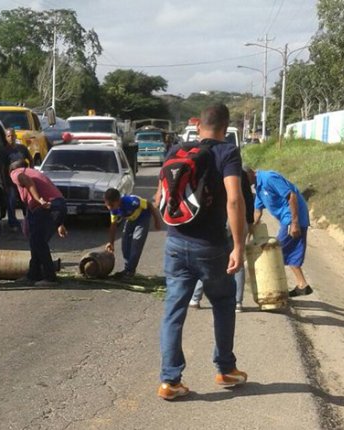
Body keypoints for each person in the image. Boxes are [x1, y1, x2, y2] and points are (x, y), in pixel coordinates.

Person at [156, 104, 247, 400]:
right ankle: (225, 368)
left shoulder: (178, 151)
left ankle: (170, 381)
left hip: (175, 242)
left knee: (173, 311)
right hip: (209, 246)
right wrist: (238, 245)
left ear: (198, 126)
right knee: (222, 300)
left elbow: (159, 197)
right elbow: (234, 200)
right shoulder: (227, 153)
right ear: (225, 126)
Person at [189, 167, 255, 311]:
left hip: (216, 221)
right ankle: (237, 302)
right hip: (236, 220)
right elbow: (247, 200)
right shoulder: (238, 172)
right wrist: (249, 223)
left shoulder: (207, 169)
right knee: (237, 258)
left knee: (208, 259)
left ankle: (195, 298)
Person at [245, 168, 312, 297]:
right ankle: (302, 285)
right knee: (290, 252)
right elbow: (257, 212)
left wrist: (294, 222)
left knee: (274, 250)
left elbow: (291, 195)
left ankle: (274, 290)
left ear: (249, 174)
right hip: (287, 219)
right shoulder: (258, 187)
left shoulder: (269, 178)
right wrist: (249, 231)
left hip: (292, 218)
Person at [9, 159, 67, 286]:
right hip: (57, 205)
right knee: (35, 241)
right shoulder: (34, 172)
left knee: (38, 242)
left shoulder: (16, 173)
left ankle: (50, 277)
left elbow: (26, 180)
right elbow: (54, 195)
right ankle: (33, 274)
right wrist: (60, 223)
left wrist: (38, 199)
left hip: (46, 207)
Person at [103, 188, 161, 278]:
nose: (109, 207)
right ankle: (127, 268)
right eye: (107, 205)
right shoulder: (113, 209)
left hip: (142, 218)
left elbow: (149, 204)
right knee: (125, 243)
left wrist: (156, 220)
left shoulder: (131, 202)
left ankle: (130, 271)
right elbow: (113, 225)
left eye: (111, 205)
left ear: (118, 201)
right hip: (131, 219)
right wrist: (111, 243)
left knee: (136, 242)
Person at [0, 128, 33, 230]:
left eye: (13, 136)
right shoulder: (4, 151)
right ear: (6, 137)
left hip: (24, 180)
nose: (11, 138)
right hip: (11, 182)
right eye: (9, 136)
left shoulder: (22, 148)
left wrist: (31, 172)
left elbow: (30, 159)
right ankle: (13, 223)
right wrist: (4, 183)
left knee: (25, 201)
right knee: (11, 202)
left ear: (15, 136)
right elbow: (2, 168)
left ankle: (28, 222)